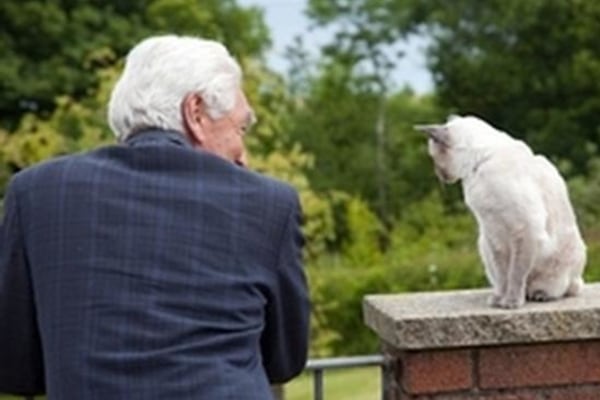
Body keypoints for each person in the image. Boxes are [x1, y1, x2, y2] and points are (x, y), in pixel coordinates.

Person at [0, 34, 310, 399]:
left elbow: (13, 365)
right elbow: (285, 359)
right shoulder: (268, 203)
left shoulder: (37, 192)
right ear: (195, 112)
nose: (243, 155)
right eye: (240, 128)